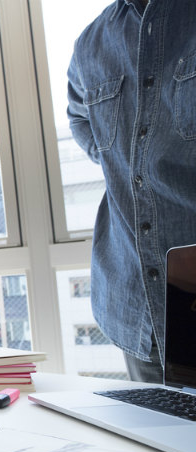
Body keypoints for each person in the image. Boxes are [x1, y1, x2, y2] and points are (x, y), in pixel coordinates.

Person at [67, 0, 196, 383]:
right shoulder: (91, 44)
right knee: (161, 442)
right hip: (135, 310)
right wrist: (126, 163)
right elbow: (79, 117)